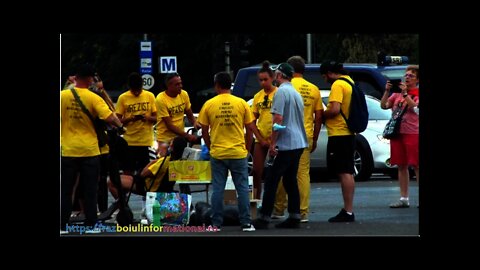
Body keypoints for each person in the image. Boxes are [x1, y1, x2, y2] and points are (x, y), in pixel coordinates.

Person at [60, 64, 124, 234]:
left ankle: (62, 226)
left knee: (67, 190)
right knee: (90, 189)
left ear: (76, 77)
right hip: (89, 151)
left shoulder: (62, 96)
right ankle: (90, 225)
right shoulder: (94, 97)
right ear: (89, 79)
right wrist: (120, 127)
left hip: (67, 150)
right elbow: (110, 117)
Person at [198, 71, 263, 232]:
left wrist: (210, 145)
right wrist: (247, 148)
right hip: (238, 152)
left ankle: (216, 224)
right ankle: (246, 223)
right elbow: (250, 129)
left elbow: (204, 130)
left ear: (217, 85)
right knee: (241, 189)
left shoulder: (209, 104)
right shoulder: (241, 103)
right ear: (230, 85)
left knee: (218, 189)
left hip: (218, 152)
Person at [252, 63, 308, 229]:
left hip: (286, 143)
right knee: (290, 180)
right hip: (299, 142)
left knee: (271, 179)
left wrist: (273, 143)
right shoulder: (295, 93)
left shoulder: (281, 92)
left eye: (276, 74)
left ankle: (264, 217)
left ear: (279, 75)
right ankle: (295, 215)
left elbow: (278, 119)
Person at [272, 56, 323, 223]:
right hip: (304, 135)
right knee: (302, 175)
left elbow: (277, 116)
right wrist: (314, 139)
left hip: (285, 135)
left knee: (281, 174)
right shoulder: (313, 89)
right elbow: (319, 117)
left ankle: (279, 208)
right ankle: (302, 212)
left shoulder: (283, 88)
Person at [320, 60, 356, 222]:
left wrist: (321, 115)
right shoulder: (350, 82)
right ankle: (348, 209)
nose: (325, 79)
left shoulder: (337, 85)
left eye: (324, 76)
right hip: (348, 133)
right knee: (347, 171)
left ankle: (348, 211)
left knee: (344, 172)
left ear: (328, 73)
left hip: (339, 133)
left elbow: (334, 109)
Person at [380, 65, 419, 208]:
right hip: (397, 133)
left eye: (411, 76)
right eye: (406, 75)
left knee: (416, 165)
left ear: (417, 80)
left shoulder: (416, 93)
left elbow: (416, 109)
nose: (407, 78)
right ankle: (404, 198)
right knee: (401, 165)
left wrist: (405, 95)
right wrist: (387, 91)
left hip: (413, 132)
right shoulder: (396, 94)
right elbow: (384, 106)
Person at [107, 136, 188, 197]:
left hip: (146, 186)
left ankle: (124, 208)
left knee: (111, 181)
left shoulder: (164, 162)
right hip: (159, 187)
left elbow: (143, 174)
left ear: (172, 148)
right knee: (122, 180)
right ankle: (123, 204)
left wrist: (152, 162)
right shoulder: (179, 162)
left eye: (170, 144)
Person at [116, 72, 157, 176]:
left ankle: (144, 191)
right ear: (130, 87)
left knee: (146, 172)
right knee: (127, 171)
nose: (137, 93)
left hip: (146, 142)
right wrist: (130, 119)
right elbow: (117, 121)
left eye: (139, 90)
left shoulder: (150, 96)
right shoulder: (123, 98)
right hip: (129, 142)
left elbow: (157, 118)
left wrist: (147, 118)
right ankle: (126, 189)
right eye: (134, 91)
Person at [249, 60, 277, 199]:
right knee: (256, 171)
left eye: (266, 79)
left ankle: (273, 201)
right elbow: (251, 120)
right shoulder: (258, 96)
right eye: (260, 80)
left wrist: (273, 140)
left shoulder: (279, 93)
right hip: (261, 138)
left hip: (276, 138)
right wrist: (260, 138)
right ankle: (256, 198)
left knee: (275, 172)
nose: (263, 83)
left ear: (272, 78)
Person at [155, 72, 200, 148]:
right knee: (163, 159)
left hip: (179, 137)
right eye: (177, 84)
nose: (180, 86)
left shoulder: (184, 94)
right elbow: (169, 125)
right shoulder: (161, 99)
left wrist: (195, 122)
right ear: (169, 86)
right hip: (165, 139)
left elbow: (189, 113)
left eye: (180, 83)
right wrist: (188, 136)